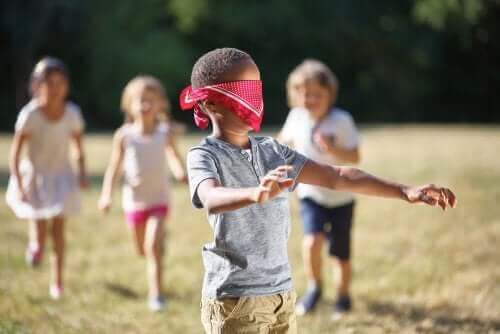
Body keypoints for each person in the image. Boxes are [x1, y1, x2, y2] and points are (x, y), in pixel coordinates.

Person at [181, 47, 456, 334]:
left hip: (281, 294)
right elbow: (211, 198)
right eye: (241, 91)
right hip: (234, 299)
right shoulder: (203, 155)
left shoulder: (272, 151)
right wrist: (254, 193)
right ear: (210, 104)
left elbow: (337, 176)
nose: (253, 100)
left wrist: (405, 190)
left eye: (256, 88)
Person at [278, 59, 360, 317]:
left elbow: (355, 156)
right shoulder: (296, 117)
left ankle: (343, 296)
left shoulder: (341, 120)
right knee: (312, 241)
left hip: (341, 199)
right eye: (304, 94)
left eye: (317, 94)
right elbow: (283, 143)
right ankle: (315, 287)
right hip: (310, 194)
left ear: (330, 94)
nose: (311, 99)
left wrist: (333, 149)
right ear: (295, 94)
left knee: (340, 254)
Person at [98, 75, 186, 312]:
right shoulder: (125, 136)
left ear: (160, 105)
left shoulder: (164, 133)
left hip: (159, 199)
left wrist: (180, 172)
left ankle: (156, 294)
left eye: (151, 100)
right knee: (141, 249)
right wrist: (106, 195)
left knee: (151, 247)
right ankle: (155, 243)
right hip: (134, 202)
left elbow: (173, 156)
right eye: (140, 100)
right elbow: (114, 168)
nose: (146, 105)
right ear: (129, 105)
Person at [6, 56, 88, 300]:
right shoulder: (30, 115)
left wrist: (82, 173)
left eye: (60, 82)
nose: (55, 88)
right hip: (36, 178)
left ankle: (58, 282)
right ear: (37, 85)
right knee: (40, 228)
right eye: (49, 82)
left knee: (59, 230)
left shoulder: (72, 113)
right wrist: (20, 184)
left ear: (66, 85)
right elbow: (15, 153)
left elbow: (78, 147)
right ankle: (35, 246)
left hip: (61, 176)